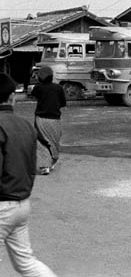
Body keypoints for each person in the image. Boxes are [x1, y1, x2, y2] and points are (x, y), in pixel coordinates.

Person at [0, 72, 58, 276]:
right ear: (11, 97)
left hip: (3, 205)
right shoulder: (25, 125)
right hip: (22, 203)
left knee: (25, 263)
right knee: (26, 263)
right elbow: (33, 164)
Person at [30, 67, 66, 175]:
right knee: (54, 142)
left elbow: (33, 96)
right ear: (51, 76)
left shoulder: (38, 88)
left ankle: (44, 166)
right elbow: (63, 103)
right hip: (55, 120)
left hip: (41, 119)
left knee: (42, 142)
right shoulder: (58, 88)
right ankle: (53, 160)